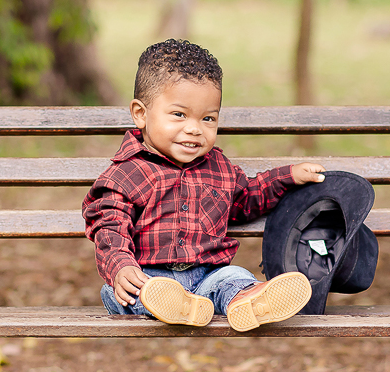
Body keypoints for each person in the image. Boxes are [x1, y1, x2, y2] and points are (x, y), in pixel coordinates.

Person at [82, 39, 325, 331]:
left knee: (234, 278)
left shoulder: (219, 168)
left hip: (208, 276)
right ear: (141, 114)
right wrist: (121, 267)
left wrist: (287, 176)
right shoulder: (126, 174)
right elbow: (109, 227)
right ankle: (173, 305)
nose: (195, 128)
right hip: (149, 278)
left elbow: (248, 197)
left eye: (208, 118)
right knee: (120, 293)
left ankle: (250, 300)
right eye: (179, 115)